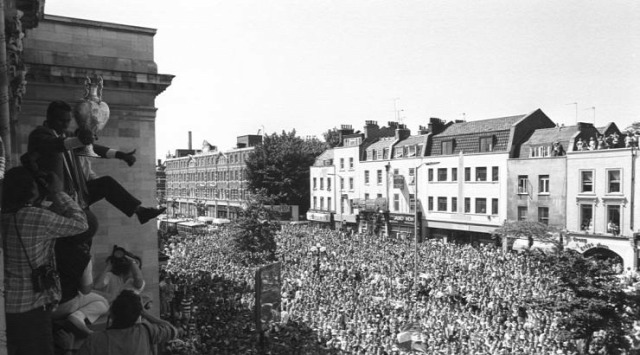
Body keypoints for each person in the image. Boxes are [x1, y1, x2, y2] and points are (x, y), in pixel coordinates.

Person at [1, 167, 88, 355]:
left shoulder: (5, 216)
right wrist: (57, 192)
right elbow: (81, 223)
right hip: (31, 308)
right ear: (30, 190)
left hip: (6, 305)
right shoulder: (36, 217)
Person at [76, 290, 177, 355]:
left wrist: (67, 349)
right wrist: (144, 313)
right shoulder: (146, 332)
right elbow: (172, 330)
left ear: (111, 312)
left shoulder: (95, 340)